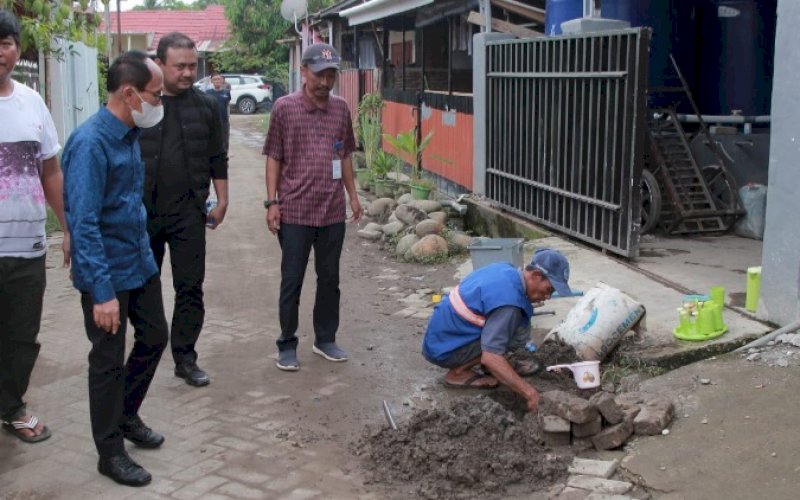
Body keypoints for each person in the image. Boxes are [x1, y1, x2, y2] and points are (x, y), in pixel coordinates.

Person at [62, 50, 169, 487]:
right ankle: (110, 452)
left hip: (138, 262)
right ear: (130, 93)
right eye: (155, 95)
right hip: (106, 273)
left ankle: (125, 414)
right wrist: (102, 293)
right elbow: (84, 224)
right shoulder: (90, 143)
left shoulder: (127, 135)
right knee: (107, 360)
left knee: (156, 335)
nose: (159, 103)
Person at [263, 43, 362, 371]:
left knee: (329, 278)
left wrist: (353, 195)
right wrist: (272, 202)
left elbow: (345, 153)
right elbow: (274, 156)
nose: (325, 82)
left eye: (331, 75)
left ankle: (325, 338)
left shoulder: (341, 108)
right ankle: (287, 343)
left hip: (331, 210)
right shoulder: (284, 108)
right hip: (294, 211)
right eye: (319, 74)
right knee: (292, 279)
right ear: (304, 72)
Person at [139, 32, 229, 387]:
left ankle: (185, 357)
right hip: (144, 214)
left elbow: (217, 157)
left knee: (190, 287)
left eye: (192, 66)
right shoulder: (143, 103)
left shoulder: (207, 106)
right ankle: (145, 349)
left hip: (189, 212)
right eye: (180, 67)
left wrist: (222, 200)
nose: (188, 73)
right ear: (160, 64)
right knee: (143, 286)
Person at [0, 9, 69, 444]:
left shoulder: (31, 102)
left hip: (26, 246)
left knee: (22, 336)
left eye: (5, 44)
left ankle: (12, 408)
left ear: (17, 49)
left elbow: (50, 172)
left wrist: (69, 227)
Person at [421, 248, 573, 413]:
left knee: (513, 327)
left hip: (443, 334)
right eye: (549, 289)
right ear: (536, 275)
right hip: (444, 348)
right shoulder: (509, 304)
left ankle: (490, 366)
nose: (548, 297)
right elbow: (491, 356)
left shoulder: (507, 270)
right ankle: (458, 373)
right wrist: (531, 394)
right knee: (500, 345)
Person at [205, 72, 230, 152]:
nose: (217, 81)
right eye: (215, 79)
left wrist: (228, 117)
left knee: (225, 141)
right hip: (212, 121)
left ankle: (224, 157)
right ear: (211, 81)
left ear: (222, 80)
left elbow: (228, 105)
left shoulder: (226, 92)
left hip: (224, 121)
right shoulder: (208, 93)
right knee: (212, 140)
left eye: (218, 79)